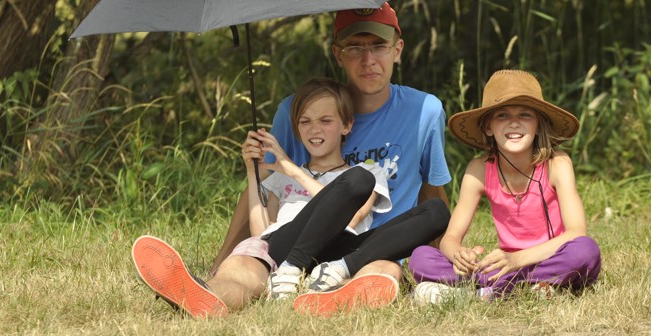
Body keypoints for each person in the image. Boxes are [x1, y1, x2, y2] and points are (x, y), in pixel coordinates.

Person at [132, 78, 450, 317]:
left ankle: (324, 292)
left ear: (346, 125)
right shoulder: (281, 176)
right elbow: (262, 231)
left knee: (432, 214)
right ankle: (203, 295)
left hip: (336, 254)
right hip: (283, 248)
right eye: (305, 122)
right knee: (241, 269)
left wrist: (293, 170)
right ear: (296, 128)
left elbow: (350, 216)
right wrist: (253, 172)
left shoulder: (364, 174)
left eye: (325, 120)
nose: (315, 129)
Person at [211, 2, 453, 308]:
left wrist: (448, 258)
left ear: (398, 49)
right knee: (241, 268)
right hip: (295, 239)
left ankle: (325, 296)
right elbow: (263, 183)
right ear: (338, 54)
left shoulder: (424, 111)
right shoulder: (300, 110)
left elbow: (432, 191)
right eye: (355, 48)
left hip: (366, 249)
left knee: (385, 269)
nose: (368, 60)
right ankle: (211, 294)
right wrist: (221, 259)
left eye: (379, 46)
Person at [408, 70, 601, 303]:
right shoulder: (479, 170)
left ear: (538, 125)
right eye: (502, 115)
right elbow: (450, 238)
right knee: (420, 257)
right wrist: (459, 255)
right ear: (488, 127)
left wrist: (517, 260)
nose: (514, 122)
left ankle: (482, 293)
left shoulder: (557, 164)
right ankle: (523, 289)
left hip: (549, 259)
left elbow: (576, 232)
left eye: (525, 114)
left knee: (585, 251)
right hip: (505, 268)